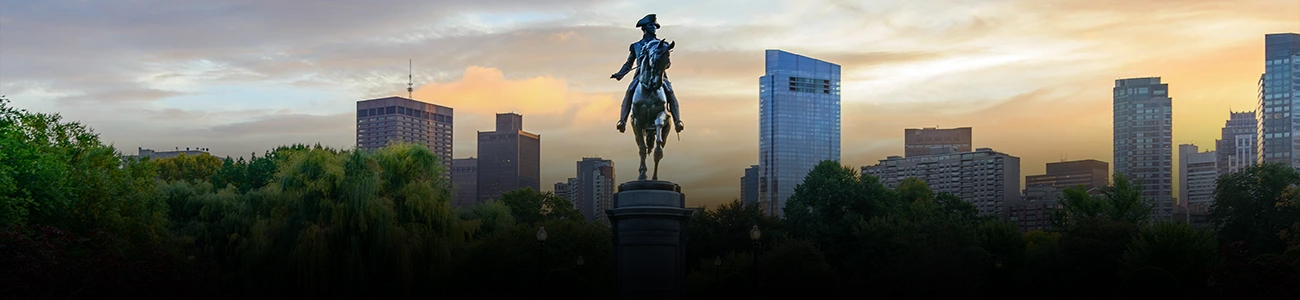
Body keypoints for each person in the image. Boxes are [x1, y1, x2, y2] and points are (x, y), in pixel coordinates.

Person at [611, 14, 683, 133]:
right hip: (640, 76)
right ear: (644, 28)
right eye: (651, 25)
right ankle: (622, 121)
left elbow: (667, 64)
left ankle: (677, 121)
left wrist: (663, 64)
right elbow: (629, 63)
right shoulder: (636, 46)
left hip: (659, 76)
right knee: (629, 92)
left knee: (670, 92)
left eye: (655, 25)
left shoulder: (662, 45)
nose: (654, 28)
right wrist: (620, 74)